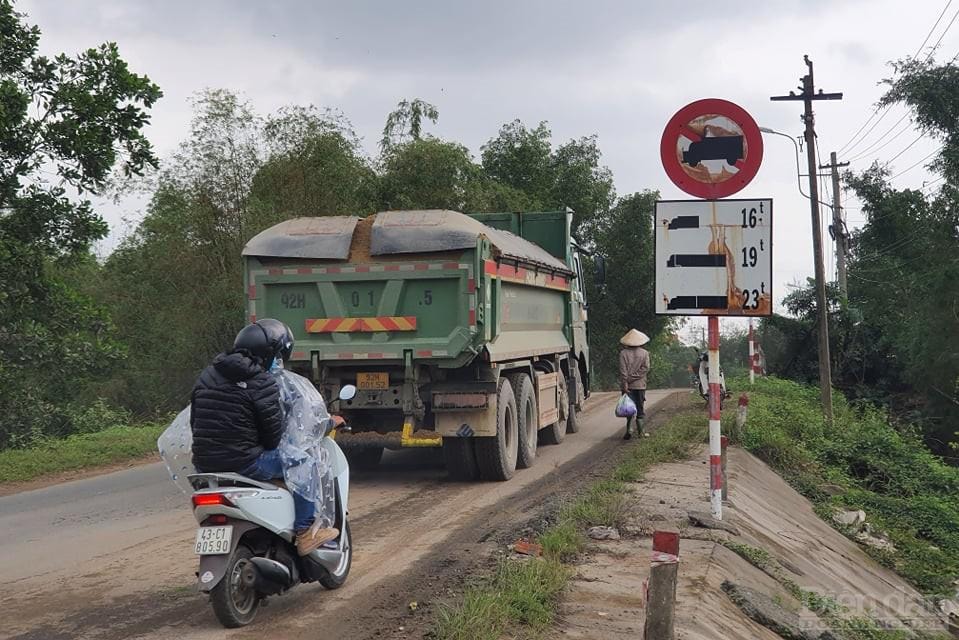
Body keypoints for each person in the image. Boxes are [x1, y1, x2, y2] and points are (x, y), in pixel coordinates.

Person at [190, 319, 337, 556]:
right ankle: (306, 531)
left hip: (204, 463)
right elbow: (272, 438)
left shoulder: (208, 375)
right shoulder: (262, 382)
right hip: (244, 462)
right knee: (303, 462)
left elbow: (194, 419)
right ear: (269, 354)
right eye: (278, 355)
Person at [619, 329, 651, 440]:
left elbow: (623, 371)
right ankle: (641, 432)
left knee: (628, 408)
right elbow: (645, 368)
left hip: (627, 386)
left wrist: (626, 382)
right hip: (640, 385)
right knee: (640, 407)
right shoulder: (645, 353)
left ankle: (629, 429)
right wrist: (633, 378)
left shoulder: (623, 353)